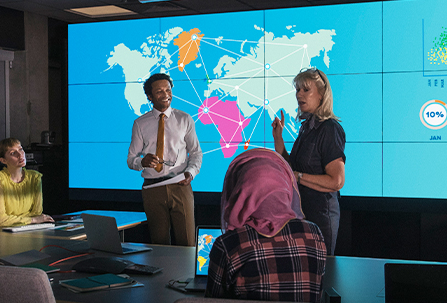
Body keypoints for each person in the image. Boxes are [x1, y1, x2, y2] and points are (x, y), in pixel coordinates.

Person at [205, 148, 326, 302]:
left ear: (241, 192)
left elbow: (210, 299)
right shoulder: (314, 235)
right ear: (285, 187)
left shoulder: (228, 245)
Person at [272, 67, 345, 255]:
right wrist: (278, 138)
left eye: (306, 90)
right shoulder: (306, 128)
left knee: (319, 277)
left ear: (321, 94)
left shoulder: (329, 129)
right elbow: (290, 168)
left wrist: (299, 176)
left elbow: (336, 181)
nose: (299, 95)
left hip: (320, 219)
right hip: (300, 215)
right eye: (297, 90)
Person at [127, 73, 202, 246]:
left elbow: (196, 153)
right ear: (150, 96)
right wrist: (142, 162)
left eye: (168, 90)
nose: (166, 94)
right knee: (158, 243)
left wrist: (190, 173)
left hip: (180, 186)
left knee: (187, 243)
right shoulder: (140, 123)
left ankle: (188, 274)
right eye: (159, 91)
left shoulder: (185, 119)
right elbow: (131, 159)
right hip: (153, 188)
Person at [0, 138, 54, 228]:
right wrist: (33, 220)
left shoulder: (35, 178)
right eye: (13, 153)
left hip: (23, 229)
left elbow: (36, 213)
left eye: (21, 149)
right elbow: (1, 221)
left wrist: (9, 220)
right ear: (3, 161)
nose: (20, 155)